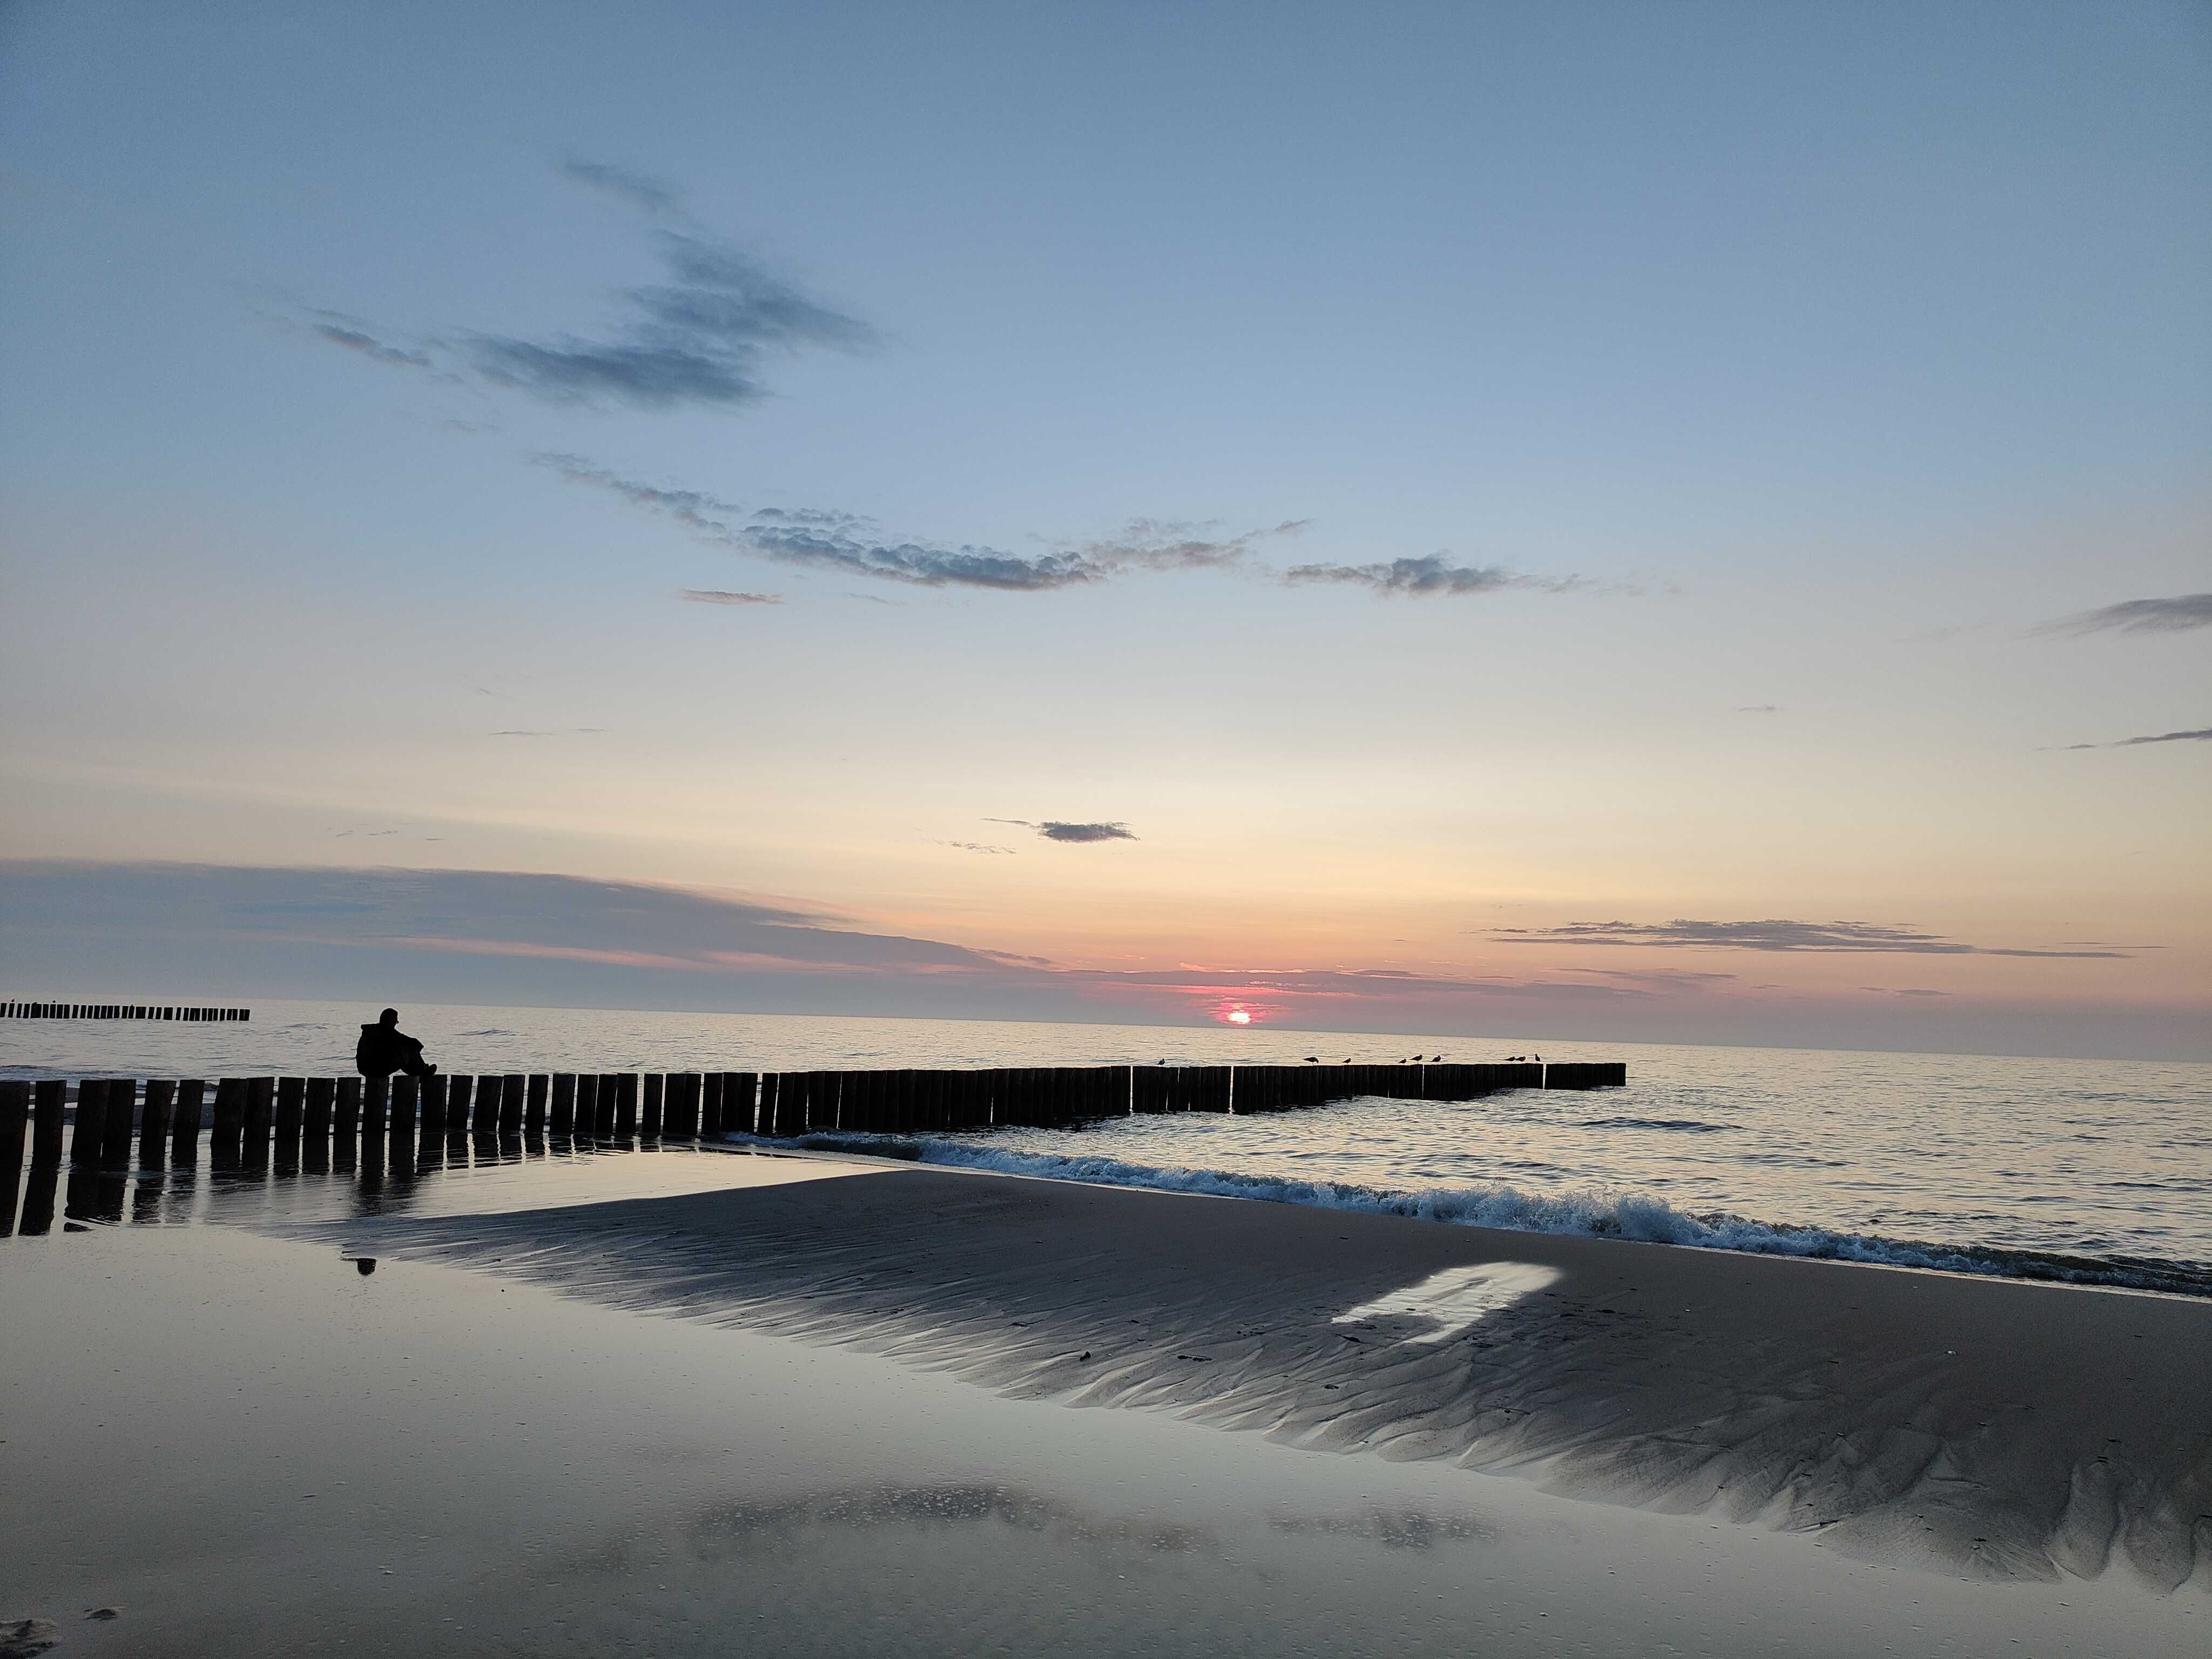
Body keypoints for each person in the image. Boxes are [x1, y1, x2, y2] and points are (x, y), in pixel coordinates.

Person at [356, 1008, 437, 1079]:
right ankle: (422, 1073)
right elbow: (416, 1044)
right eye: (395, 1022)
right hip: (374, 1069)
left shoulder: (373, 1030)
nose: (395, 1024)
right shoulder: (386, 1032)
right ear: (389, 1021)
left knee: (406, 1051)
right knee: (406, 1053)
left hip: (367, 1068)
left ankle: (421, 1072)